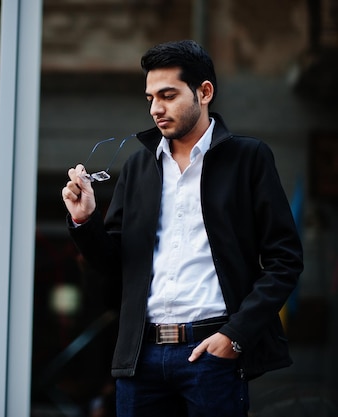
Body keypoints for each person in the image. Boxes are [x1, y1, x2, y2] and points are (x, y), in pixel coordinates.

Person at [61, 40, 303, 417]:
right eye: (150, 97)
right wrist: (83, 220)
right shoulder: (139, 167)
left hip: (212, 353)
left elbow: (284, 260)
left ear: (204, 92)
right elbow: (113, 265)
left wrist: (235, 337)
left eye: (168, 95)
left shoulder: (248, 158)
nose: (156, 108)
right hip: (140, 357)